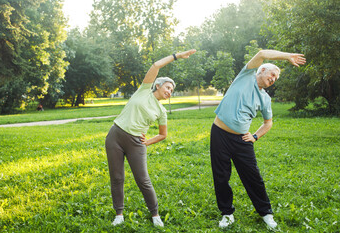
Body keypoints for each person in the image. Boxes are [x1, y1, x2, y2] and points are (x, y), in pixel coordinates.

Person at [210, 50, 306, 229]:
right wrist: (287, 57)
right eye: (273, 75)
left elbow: (268, 123)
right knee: (221, 175)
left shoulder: (265, 98)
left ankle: (266, 213)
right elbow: (262, 53)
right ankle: (227, 214)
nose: (274, 79)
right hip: (219, 134)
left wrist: (254, 136)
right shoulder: (245, 76)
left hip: (242, 141)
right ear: (261, 70)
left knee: (253, 177)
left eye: (276, 78)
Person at [105, 49, 196, 227]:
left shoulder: (162, 111)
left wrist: (147, 142)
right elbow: (156, 65)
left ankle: (155, 215)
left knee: (143, 180)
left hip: (136, 143)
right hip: (115, 136)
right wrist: (177, 56)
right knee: (117, 178)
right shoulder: (144, 90)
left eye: (172, 90)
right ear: (158, 85)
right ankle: (119, 214)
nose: (170, 91)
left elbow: (163, 134)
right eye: (168, 87)